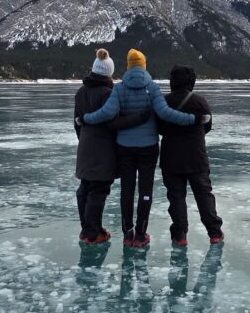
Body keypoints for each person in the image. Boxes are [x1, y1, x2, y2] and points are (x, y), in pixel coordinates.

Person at [79, 49, 208, 247]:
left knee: (127, 190)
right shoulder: (152, 87)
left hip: (125, 147)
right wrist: (194, 119)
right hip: (148, 147)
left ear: (128, 66)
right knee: (145, 191)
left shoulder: (119, 89)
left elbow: (106, 113)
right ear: (144, 65)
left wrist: (86, 118)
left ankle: (127, 233)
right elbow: (166, 114)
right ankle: (140, 234)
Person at [74, 49, 152, 244]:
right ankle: (93, 233)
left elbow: (76, 122)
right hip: (103, 149)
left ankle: (87, 228)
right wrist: (138, 118)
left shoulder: (80, 92)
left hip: (85, 145)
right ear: (109, 72)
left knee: (85, 187)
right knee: (98, 190)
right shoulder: (108, 93)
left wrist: (83, 140)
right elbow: (113, 123)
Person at [157, 65, 224, 246]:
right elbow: (207, 127)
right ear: (191, 82)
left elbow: (159, 127)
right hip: (196, 158)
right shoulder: (200, 102)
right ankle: (215, 233)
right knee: (204, 195)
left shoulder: (164, 102)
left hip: (170, 158)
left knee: (176, 197)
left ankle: (180, 235)